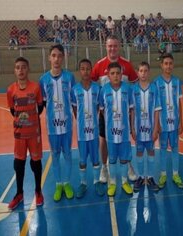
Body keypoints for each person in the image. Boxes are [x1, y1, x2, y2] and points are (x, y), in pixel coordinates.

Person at [91, 35, 138, 184]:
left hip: (124, 113)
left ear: (119, 47)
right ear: (106, 47)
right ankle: (104, 168)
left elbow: (135, 84)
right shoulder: (98, 65)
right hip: (106, 112)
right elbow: (92, 86)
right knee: (103, 139)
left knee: (125, 139)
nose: (112, 49)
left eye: (115, 46)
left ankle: (129, 165)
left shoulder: (127, 65)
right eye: (110, 46)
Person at [6, 57, 44, 210]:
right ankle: (19, 193)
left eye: (23, 67)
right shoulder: (11, 90)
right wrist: (22, 121)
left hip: (34, 134)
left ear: (28, 69)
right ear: (14, 71)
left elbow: (40, 107)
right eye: (17, 67)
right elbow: (12, 110)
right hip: (19, 135)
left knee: (36, 163)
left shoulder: (35, 87)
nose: (20, 70)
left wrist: (31, 120)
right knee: (19, 164)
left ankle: (38, 191)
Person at [39, 44, 76, 202]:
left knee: (67, 154)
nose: (56, 59)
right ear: (49, 57)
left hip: (67, 126)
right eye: (53, 55)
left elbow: (74, 102)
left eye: (59, 56)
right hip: (52, 127)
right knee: (54, 155)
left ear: (63, 57)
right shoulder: (43, 80)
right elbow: (43, 104)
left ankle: (67, 183)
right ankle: (58, 184)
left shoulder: (69, 77)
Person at [98, 62, 134, 197]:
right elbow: (102, 110)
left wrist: (130, 127)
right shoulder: (104, 90)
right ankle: (113, 183)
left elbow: (131, 109)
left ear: (121, 74)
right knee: (112, 159)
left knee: (124, 159)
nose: (115, 76)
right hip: (111, 133)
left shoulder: (127, 88)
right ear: (108, 75)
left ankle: (124, 182)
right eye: (112, 73)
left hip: (124, 132)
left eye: (118, 73)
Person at [71, 59, 105, 198]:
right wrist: (81, 120)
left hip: (94, 130)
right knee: (83, 160)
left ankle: (96, 181)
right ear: (80, 70)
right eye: (82, 68)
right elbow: (74, 107)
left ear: (91, 70)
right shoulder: (75, 89)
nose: (85, 71)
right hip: (82, 133)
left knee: (96, 159)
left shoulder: (97, 89)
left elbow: (98, 107)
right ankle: (83, 183)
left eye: (88, 69)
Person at [154, 53, 183, 189]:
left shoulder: (177, 81)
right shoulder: (156, 82)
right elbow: (155, 105)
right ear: (161, 65)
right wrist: (157, 124)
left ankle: (176, 174)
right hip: (162, 123)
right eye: (165, 63)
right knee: (163, 149)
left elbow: (179, 101)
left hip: (175, 122)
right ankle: (163, 174)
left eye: (170, 63)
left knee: (175, 148)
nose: (168, 66)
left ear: (173, 65)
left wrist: (181, 122)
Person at [131, 62, 161, 192]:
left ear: (149, 72)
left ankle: (150, 177)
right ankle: (140, 177)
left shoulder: (154, 88)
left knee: (151, 151)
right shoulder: (134, 89)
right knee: (138, 152)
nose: (143, 73)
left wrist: (156, 128)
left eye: (145, 71)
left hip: (150, 128)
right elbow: (132, 110)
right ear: (138, 73)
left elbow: (156, 110)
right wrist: (132, 127)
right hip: (138, 128)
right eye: (141, 71)